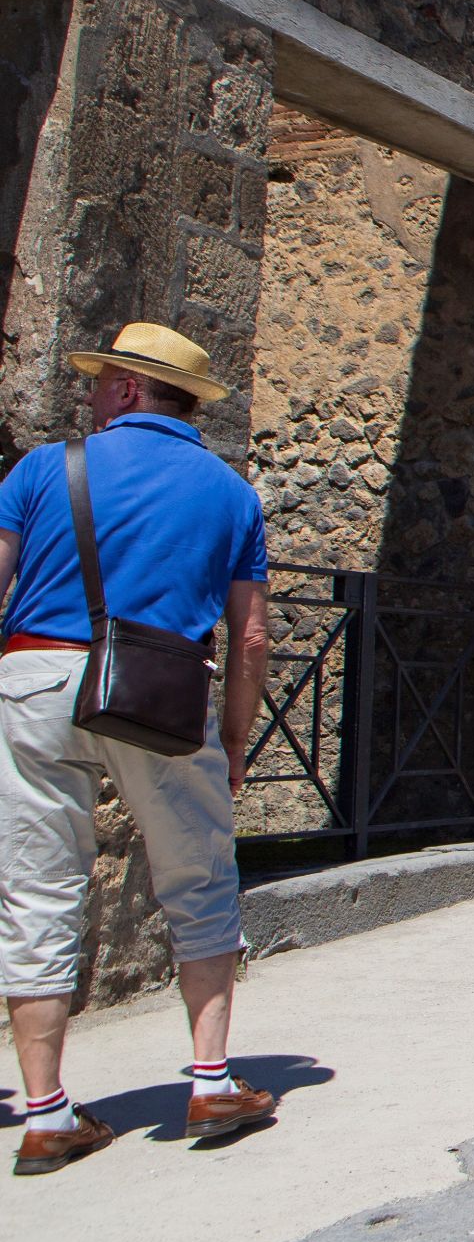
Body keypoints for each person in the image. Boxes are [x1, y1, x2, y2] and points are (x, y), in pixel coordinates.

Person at [0, 324, 276, 1172]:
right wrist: (234, 740)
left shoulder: (47, 468)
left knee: (37, 887)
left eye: (101, 381)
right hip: (158, 685)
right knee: (198, 878)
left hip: (35, 676)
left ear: (127, 390)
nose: (90, 393)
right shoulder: (232, 495)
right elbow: (253, 638)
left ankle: (46, 1112)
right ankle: (210, 1081)